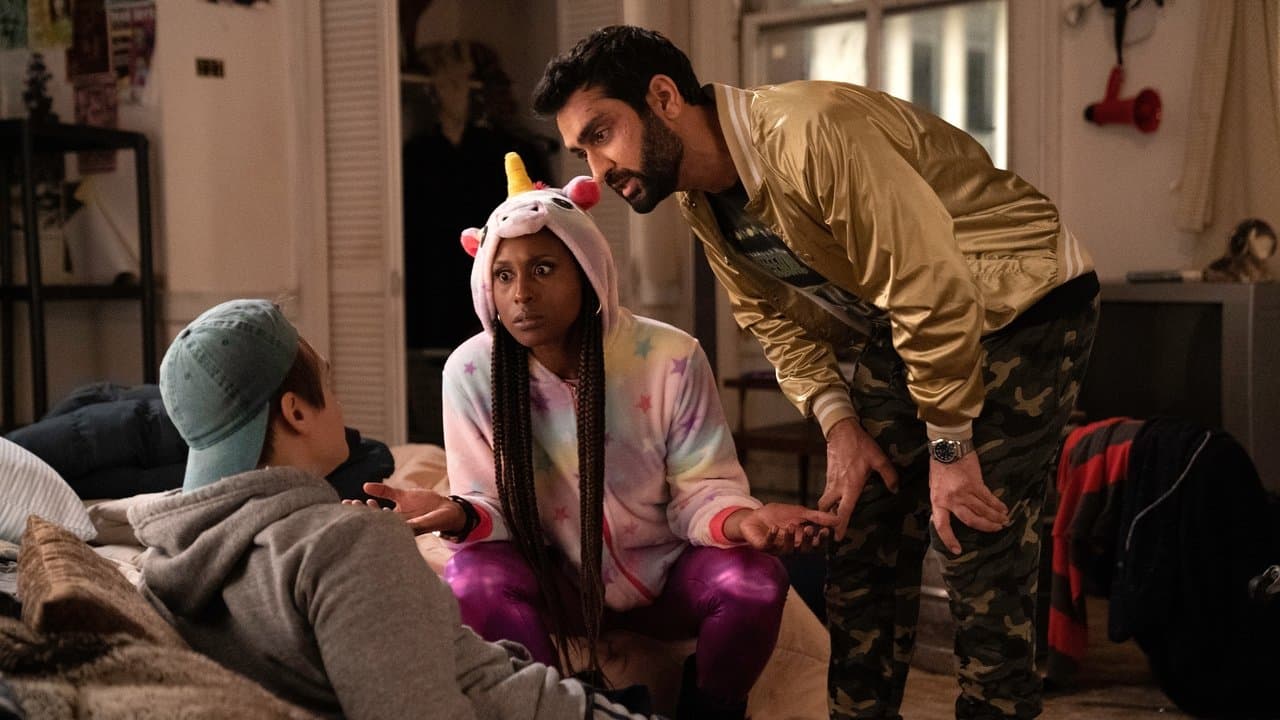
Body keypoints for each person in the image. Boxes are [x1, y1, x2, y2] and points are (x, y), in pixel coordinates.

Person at [530, 26, 1100, 720]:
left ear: (663, 97)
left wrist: (949, 447)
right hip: (911, 318)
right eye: (582, 152)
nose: (596, 169)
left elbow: (928, 281)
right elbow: (772, 319)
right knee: (860, 534)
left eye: (602, 134)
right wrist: (840, 425)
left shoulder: (809, 132)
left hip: (1023, 299)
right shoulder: (699, 198)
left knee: (973, 538)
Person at [359, 153, 835, 720]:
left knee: (755, 583)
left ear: (587, 270)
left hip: (666, 583)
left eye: (543, 269)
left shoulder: (670, 357)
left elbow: (703, 488)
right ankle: (552, 711)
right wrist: (457, 513)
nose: (521, 293)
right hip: (553, 586)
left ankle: (707, 711)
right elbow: (489, 502)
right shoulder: (470, 371)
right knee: (472, 577)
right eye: (504, 276)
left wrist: (743, 521)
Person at [127, 299, 661, 720]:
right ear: (296, 412)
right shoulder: (346, 546)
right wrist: (372, 554)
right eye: (328, 383)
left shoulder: (167, 568)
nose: (339, 403)